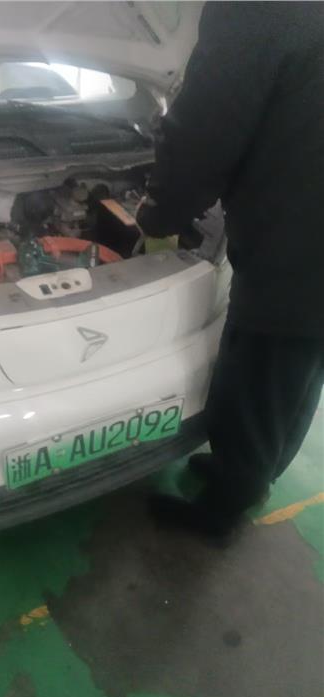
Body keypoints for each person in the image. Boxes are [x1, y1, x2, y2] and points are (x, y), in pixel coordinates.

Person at [137, 1, 324, 538]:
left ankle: (222, 511)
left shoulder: (258, 10)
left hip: (295, 245)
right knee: (297, 373)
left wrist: (159, 215)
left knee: (257, 377)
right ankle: (251, 473)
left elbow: (203, 134)